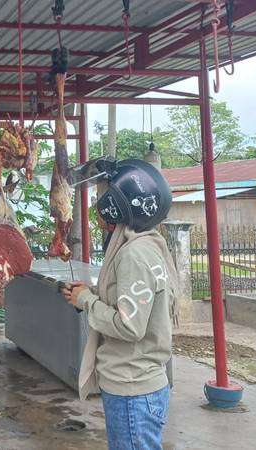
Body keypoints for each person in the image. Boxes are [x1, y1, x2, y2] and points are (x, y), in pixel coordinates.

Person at [61, 159, 178, 450]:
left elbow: (129, 325)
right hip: (137, 386)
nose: (99, 201)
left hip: (132, 389)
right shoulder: (149, 247)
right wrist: (91, 294)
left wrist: (87, 300)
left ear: (120, 204)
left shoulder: (133, 256)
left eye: (106, 191)